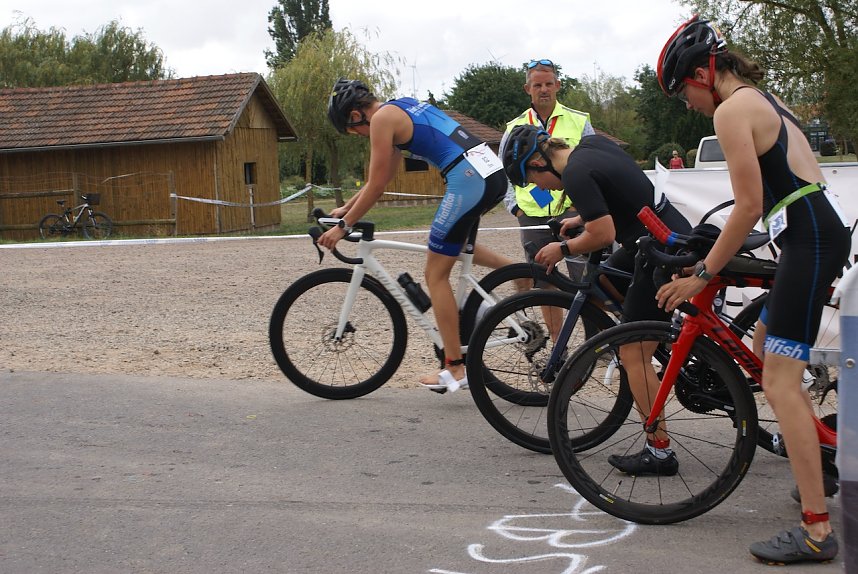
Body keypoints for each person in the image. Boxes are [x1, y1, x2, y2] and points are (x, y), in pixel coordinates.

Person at [654, 15, 849, 565]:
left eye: (683, 92)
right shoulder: (762, 100)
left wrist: (704, 274)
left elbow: (749, 204)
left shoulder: (734, 108)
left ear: (702, 72)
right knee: (766, 351)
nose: (687, 103)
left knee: (782, 382)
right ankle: (827, 452)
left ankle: (816, 530)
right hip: (811, 235)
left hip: (809, 240)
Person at [502, 124, 691, 467]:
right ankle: (660, 340)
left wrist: (563, 248)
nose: (539, 188)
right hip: (654, 235)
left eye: (532, 180)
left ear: (538, 164)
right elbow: (616, 198)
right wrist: (578, 219)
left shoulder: (574, 174)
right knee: (603, 281)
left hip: (656, 249)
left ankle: (659, 450)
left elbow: (603, 234)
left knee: (631, 351)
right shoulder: (591, 146)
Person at [320, 78, 516, 393]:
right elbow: (378, 180)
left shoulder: (382, 120)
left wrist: (342, 228)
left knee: (435, 273)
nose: (356, 135)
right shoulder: (400, 106)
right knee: (455, 248)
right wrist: (346, 209)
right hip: (488, 171)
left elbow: (377, 185)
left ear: (356, 115)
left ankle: (454, 367)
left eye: (351, 129)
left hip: (468, 178)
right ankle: (519, 274)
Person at [501, 59, 595, 280]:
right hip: (532, 216)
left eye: (548, 84)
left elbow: (592, 163)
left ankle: (590, 317)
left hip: (572, 212)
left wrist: (580, 207)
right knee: (545, 281)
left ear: (557, 85)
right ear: (527, 89)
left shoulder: (579, 121)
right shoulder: (514, 128)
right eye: (537, 85)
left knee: (586, 279)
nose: (544, 90)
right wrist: (515, 208)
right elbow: (504, 171)